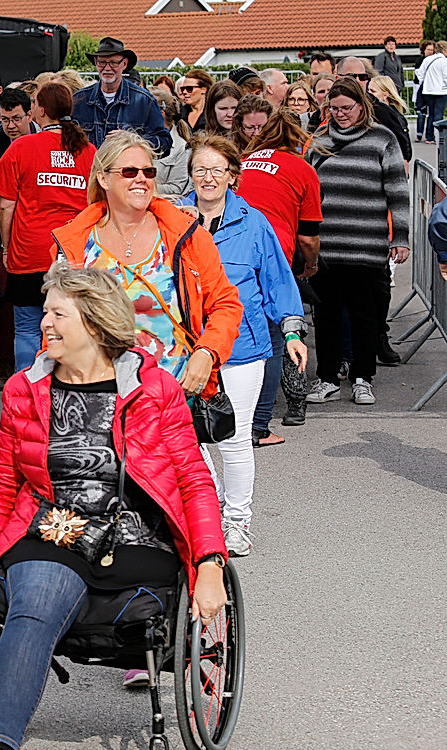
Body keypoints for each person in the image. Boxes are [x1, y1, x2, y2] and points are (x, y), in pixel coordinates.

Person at [0, 266, 229, 750]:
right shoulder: (25, 389)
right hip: (55, 528)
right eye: (46, 312)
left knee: (45, 595)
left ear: (96, 323)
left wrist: (210, 563)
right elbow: (1, 482)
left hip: (136, 539)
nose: (45, 323)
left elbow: (193, 480)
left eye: (59, 313)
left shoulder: (155, 389)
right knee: (39, 592)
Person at [183, 134, 307, 556]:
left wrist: (292, 331)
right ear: (190, 174)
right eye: (200, 169)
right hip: (187, 349)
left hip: (242, 349)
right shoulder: (173, 218)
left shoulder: (254, 223)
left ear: (232, 176)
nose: (208, 177)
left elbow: (277, 279)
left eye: (217, 170)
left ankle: (237, 522)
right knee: (190, 437)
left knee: (233, 439)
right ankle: (213, 502)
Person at [51, 130, 243, 397]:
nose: (141, 178)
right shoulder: (75, 242)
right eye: (129, 172)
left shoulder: (186, 236)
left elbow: (225, 304)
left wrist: (207, 352)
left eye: (148, 172)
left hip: (173, 395)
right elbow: (56, 320)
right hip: (96, 395)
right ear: (103, 178)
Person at [305, 79, 409, 407]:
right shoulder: (319, 140)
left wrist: (401, 237)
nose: (340, 114)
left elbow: (398, 193)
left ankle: (363, 378)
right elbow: (307, 191)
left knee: (365, 317)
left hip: (367, 245)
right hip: (327, 247)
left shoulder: (383, 139)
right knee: (326, 317)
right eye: (334, 108)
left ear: (362, 106)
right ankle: (327, 378)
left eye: (346, 108)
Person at [0, 82, 96, 371]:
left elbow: (5, 206)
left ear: (42, 111)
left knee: (26, 328)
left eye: (34, 103)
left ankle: (26, 386)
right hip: (72, 255)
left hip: (29, 251)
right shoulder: (88, 151)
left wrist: (6, 247)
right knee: (69, 327)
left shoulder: (22, 147)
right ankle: (64, 385)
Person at [238, 111, 323, 432]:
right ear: (297, 139)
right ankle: (281, 410)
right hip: (275, 253)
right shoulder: (302, 169)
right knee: (282, 332)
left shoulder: (243, 162)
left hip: (232, 250)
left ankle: (239, 407)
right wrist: (311, 265)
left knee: (239, 330)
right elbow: (308, 237)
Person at [0, 88, 37, 389]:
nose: (11, 125)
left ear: (30, 114)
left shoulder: (43, 140)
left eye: (16, 119)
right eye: (5, 120)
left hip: (33, 232)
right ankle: (7, 358)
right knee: (6, 301)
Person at [71, 37, 170, 154]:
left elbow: (165, 143)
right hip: (90, 166)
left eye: (113, 63)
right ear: (96, 63)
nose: (107, 68)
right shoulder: (79, 100)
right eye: (102, 62)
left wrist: (131, 139)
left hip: (127, 165)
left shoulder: (144, 101)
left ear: (124, 64)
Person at [336, 56, 412, 161]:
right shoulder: (325, 110)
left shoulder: (382, 112)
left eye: (362, 77)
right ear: (338, 78)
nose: (357, 81)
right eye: (351, 76)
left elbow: (404, 152)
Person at [150, 87, 192, 197]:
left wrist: (146, 186)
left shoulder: (181, 147)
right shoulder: (136, 139)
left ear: (160, 114)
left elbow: (177, 188)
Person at [417, 42, 447, 144]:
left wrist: (425, 83)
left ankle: (429, 137)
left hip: (427, 91)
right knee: (439, 114)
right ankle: (438, 136)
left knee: (431, 114)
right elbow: (446, 76)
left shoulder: (427, 59)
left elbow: (419, 73)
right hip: (441, 91)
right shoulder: (444, 61)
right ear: (444, 50)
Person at [414, 40, 436, 142]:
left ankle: (429, 134)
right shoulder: (420, 61)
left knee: (431, 112)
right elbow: (418, 75)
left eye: (432, 50)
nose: (430, 52)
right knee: (421, 112)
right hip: (420, 88)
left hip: (431, 89)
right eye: (428, 50)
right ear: (424, 50)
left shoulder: (435, 61)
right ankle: (419, 134)